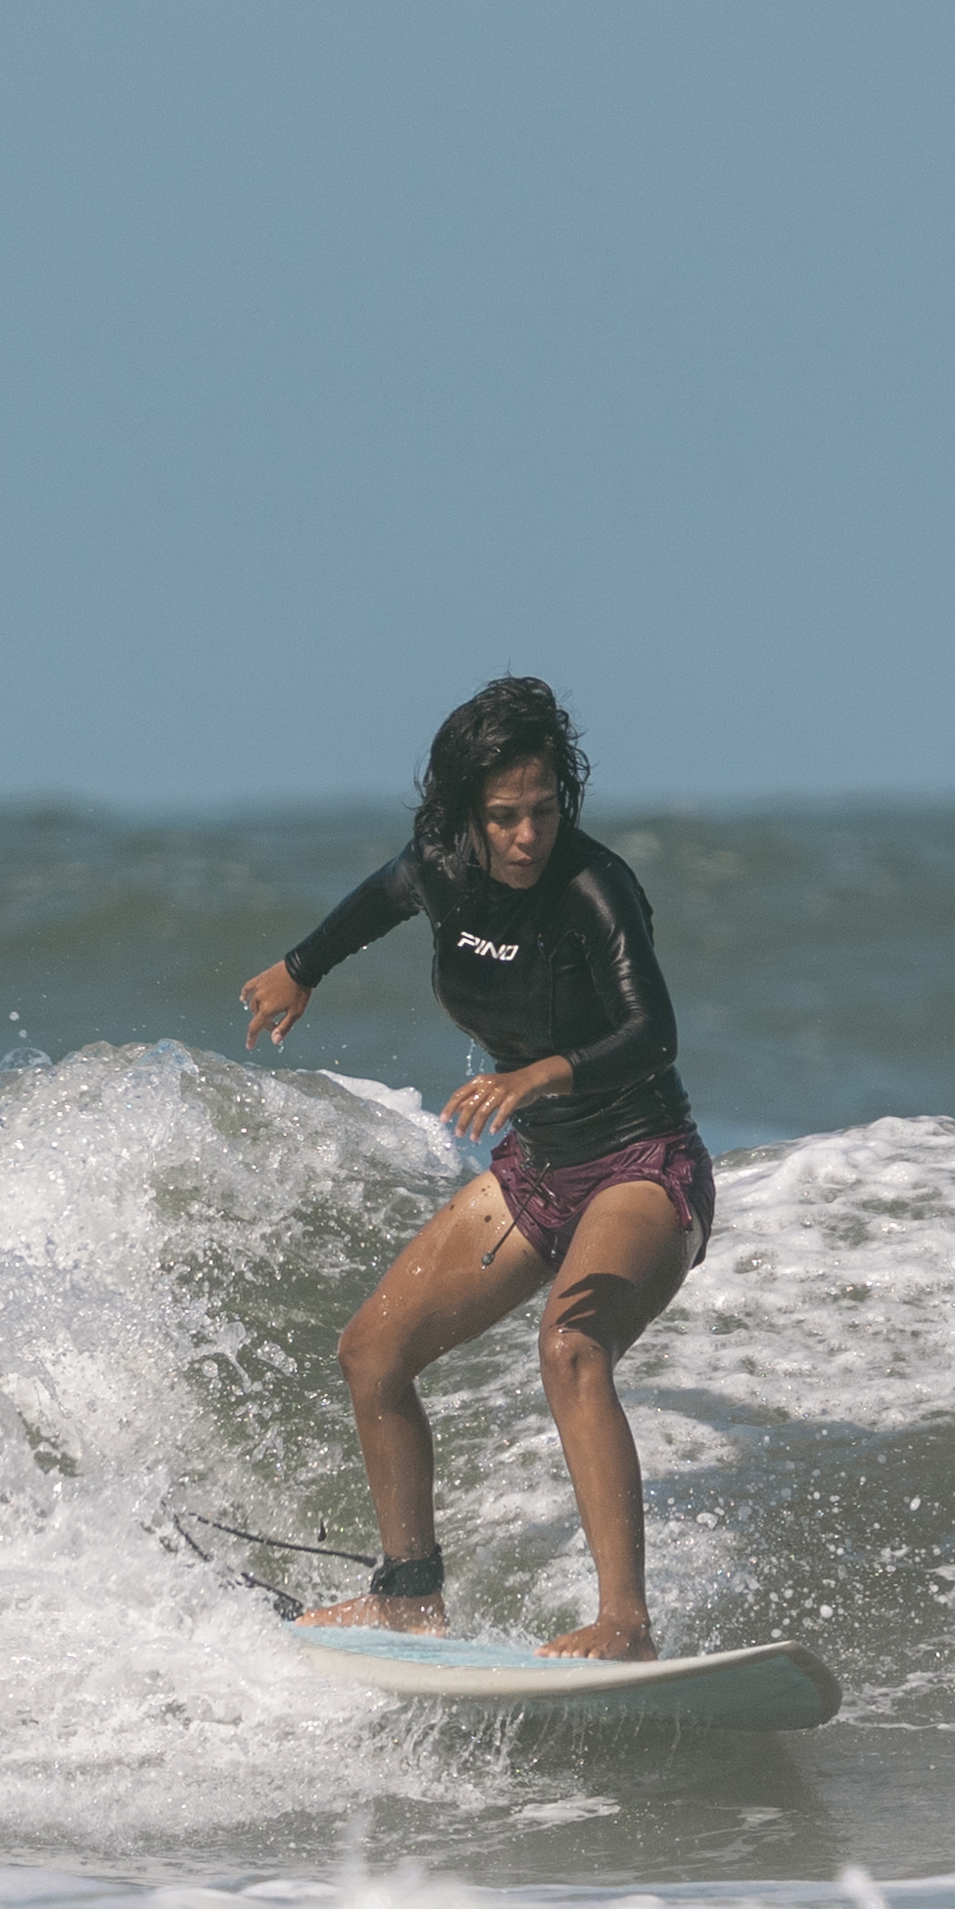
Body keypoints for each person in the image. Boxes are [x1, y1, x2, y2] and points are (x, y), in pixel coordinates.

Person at [237, 676, 712, 1660]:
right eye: (503, 816)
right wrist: (300, 969)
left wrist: (542, 1073)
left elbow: (652, 1032)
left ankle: (624, 1622)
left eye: (543, 810)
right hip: (537, 1170)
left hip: (639, 1162)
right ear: (465, 816)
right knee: (371, 1352)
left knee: (571, 1343)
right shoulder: (440, 869)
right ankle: (408, 1596)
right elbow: (378, 900)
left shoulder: (594, 888)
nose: (528, 836)